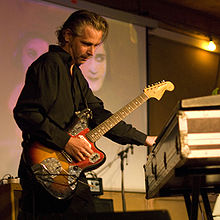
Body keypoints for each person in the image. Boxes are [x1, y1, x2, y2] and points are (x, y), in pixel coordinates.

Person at [13, 10, 156, 219]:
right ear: (68, 36)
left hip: (69, 173)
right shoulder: (49, 64)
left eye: (96, 45)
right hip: (44, 169)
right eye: (87, 43)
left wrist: (145, 139)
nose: (91, 52)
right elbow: (26, 113)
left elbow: (99, 116)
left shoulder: (77, 76)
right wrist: (66, 142)